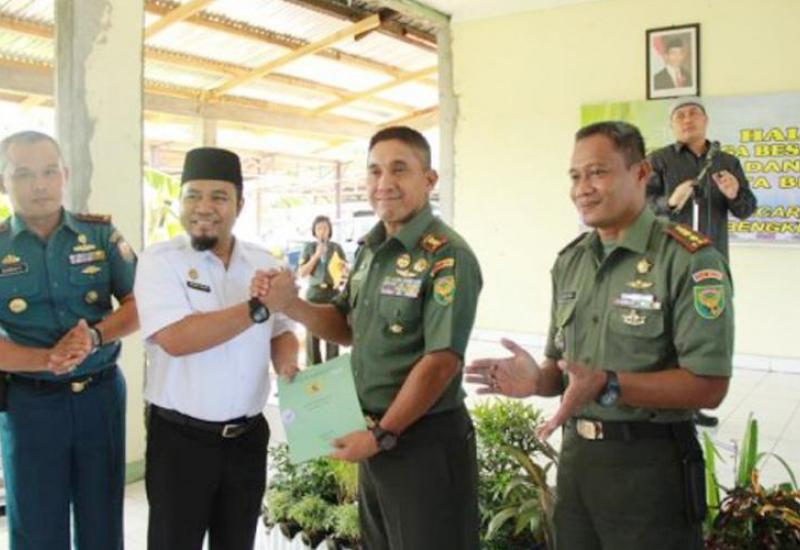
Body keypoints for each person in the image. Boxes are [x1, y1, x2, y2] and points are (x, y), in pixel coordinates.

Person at [466, 121, 733, 550]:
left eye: (597, 172)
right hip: (577, 466)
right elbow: (564, 372)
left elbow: (709, 385)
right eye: (574, 176)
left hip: (651, 469)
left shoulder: (688, 259)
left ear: (641, 173)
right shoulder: (570, 262)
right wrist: (538, 380)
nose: (582, 188)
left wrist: (611, 383)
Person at [252, 126, 483, 550]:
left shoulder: (447, 255)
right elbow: (345, 326)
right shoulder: (370, 251)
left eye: (399, 169)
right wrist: (291, 304)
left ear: (428, 180)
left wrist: (382, 435)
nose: (384, 183)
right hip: (375, 438)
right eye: (374, 171)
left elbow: (441, 361)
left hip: (422, 442)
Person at [134, 147, 299, 550]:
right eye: (192, 195)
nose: (203, 207)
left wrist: (289, 364)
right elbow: (177, 338)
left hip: (246, 438)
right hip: (180, 441)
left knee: (237, 542)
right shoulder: (160, 261)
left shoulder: (263, 262)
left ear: (239, 205)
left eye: (218, 197)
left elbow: (282, 329)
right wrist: (257, 308)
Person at [0, 130, 139, 549]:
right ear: (4, 181)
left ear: (65, 174)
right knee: (37, 527)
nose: (38, 184)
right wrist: (48, 358)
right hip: (30, 406)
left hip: (99, 399)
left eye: (48, 172)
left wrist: (94, 337)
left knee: (102, 519)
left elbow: (141, 302)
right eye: (23, 174)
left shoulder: (101, 236)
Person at [648, 98, 756, 427]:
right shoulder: (659, 160)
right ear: (672, 125)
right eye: (679, 115)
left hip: (711, 261)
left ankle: (692, 403)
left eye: (693, 113)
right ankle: (661, 401)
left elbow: (747, 209)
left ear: (706, 121)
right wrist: (671, 200)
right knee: (665, 331)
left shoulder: (726, 161)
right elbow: (641, 206)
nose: (687, 119)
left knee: (705, 332)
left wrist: (735, 192)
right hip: (668, 260)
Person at [297, 215, 347, 365]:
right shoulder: (309, 247)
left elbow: (344, 270)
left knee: (334, 331)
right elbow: (302, 272)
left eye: (325, 228)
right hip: (314, 293)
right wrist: (317, 255)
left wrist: (344, 270)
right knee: (312, 334)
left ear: (330, 230)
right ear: (314, 231)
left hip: (332, 293)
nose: (322, 231)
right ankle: (314, 368)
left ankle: (333, 367)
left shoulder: (336, 248)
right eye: (319, 228)